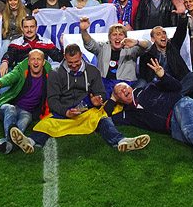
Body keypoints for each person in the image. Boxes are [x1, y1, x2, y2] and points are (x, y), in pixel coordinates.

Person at [9, 44, 150, 154]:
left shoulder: (93, 71)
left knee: (103, 119)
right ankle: (30, 142)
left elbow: (101, 93)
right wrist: (66, 112)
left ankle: (121, 141)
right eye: (70, 62)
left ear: (81, 56)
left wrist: (97, 100)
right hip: (64, 113)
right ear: (64, 57)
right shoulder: (55, 73)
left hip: (87, 111)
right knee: (46, 124)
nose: (74, 65)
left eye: (76, 61)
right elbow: (52, 100)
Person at [0, 49, 52, 153]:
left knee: (24, 120)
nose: (36, 62)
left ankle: (7, 144)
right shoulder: (21, 69)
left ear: (43, 62)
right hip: (10, 105)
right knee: (11, 109)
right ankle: (12, 142)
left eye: (39, 59)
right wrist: (0, 83)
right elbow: (10, 77)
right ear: (28, 62)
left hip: (27, 112)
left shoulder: (49, 74)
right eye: (33, 59)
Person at [80, 18, 145, 92]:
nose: (117, 37)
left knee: (142, 83)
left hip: (126, 84)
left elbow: (148, 46)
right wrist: (84, 31)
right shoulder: (102, 47)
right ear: (109, 37)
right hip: (104, 84)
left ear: (125, 37)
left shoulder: (132, 49)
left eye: (121, 34)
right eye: (114, 34)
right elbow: (89, 44)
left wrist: (137, 42)